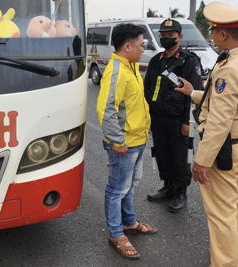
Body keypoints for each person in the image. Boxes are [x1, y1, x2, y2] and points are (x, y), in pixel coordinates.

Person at [176, 3, 238, 266]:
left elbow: (218, 121)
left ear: (224, 34)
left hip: (222, 154)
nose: (212, 35)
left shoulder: (229, 68)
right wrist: (192, 92)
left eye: (213, 30)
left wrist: (202, 160)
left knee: (221, 216)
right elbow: (224, 104)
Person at [96, 23, 157, 260]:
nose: (144, 49)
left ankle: (129, 221)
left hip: (137, 139)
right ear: (128, 46)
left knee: (131, 184)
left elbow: (132, 105)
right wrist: (117, 140)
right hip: (125, 144)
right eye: (141, 45)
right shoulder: (116, 71)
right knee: (117, 189)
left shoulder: (130, 66)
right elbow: (105, 109)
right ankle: (116, 233)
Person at [144, 18, 202, 212]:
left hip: (178, 120)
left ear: (180, 37)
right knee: (162, 153)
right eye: (163, 35)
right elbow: (148, 90)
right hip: (158, 118)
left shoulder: (189, 61)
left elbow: (193, 94)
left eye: (171, 35)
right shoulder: (155, 61)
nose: (166, 38)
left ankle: (180, 191)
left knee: (179, 156)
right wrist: (148, 118)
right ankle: (168, 187)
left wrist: (187, 121)